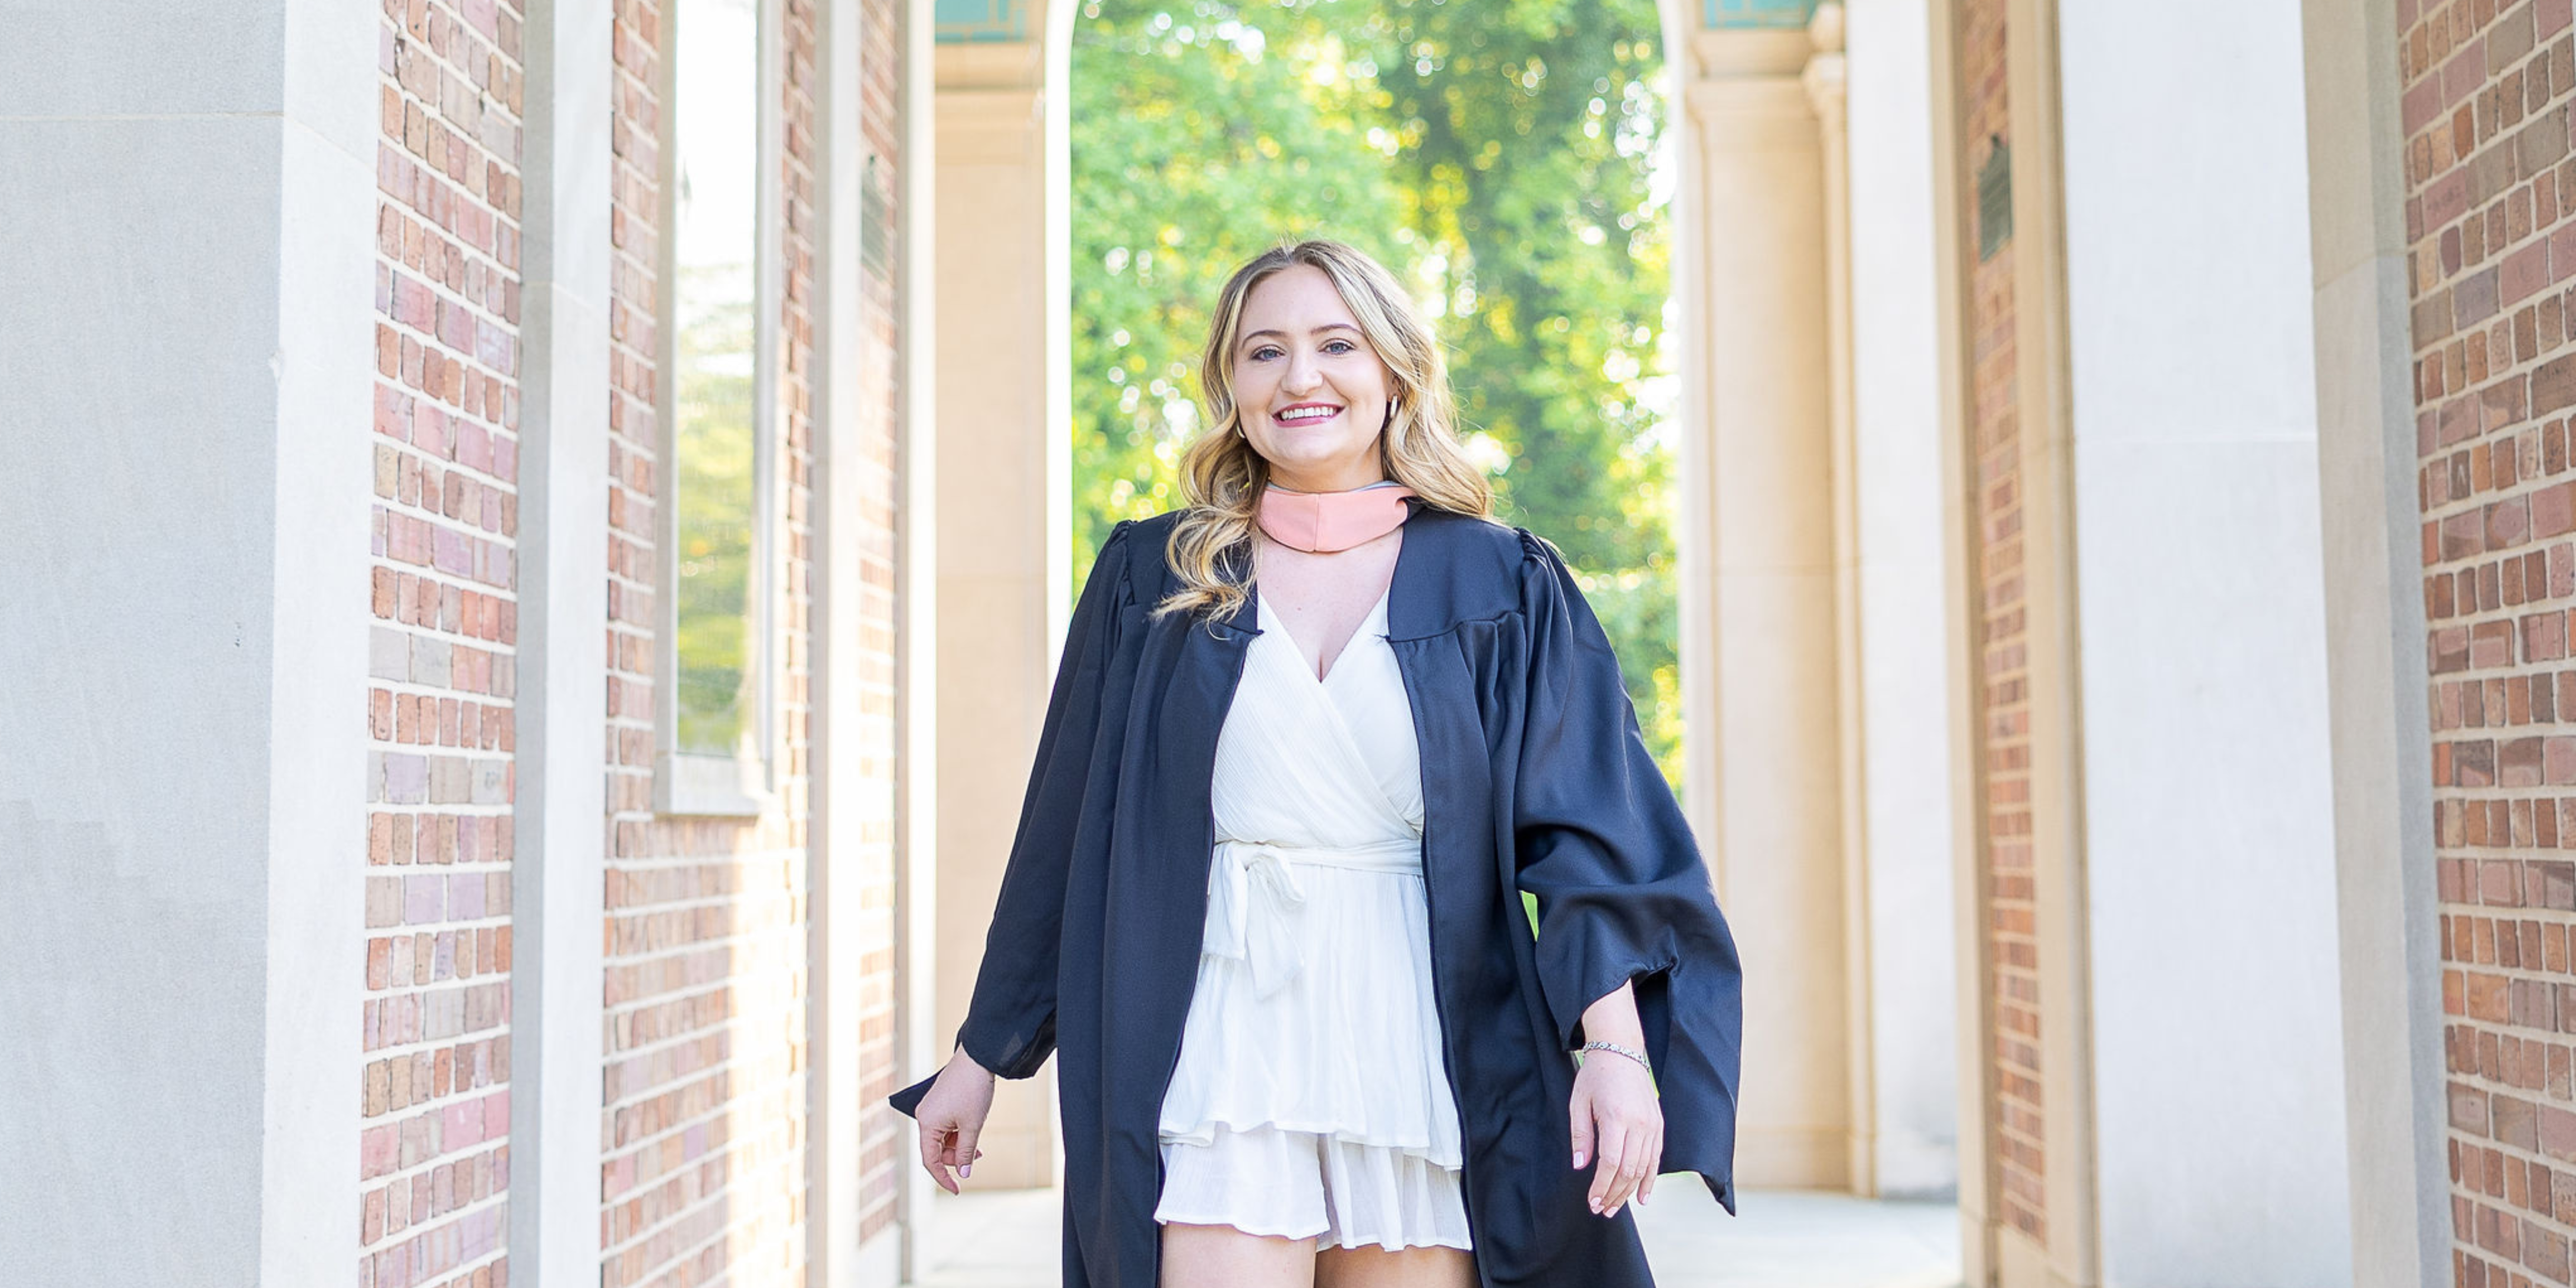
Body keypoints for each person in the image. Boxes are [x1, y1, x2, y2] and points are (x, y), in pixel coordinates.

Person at [890, 239, 1742, 1288]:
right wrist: (984, 1056)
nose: (1301, 378)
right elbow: (1063, 834)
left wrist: (1614, 1054)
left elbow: (1581, 833)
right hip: (1217, 1026)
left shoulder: (1501, 581)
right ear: (1232, 387)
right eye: (1265, 352)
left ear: (1393, 371)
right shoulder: (1153, 580)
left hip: (1419, 1033)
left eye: (1336, 344)